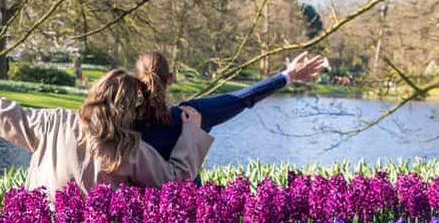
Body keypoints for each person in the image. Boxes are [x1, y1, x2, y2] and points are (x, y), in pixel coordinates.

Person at [0, 47, 213, 200]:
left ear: (95, 92)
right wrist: (191, 132)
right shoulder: (129, 147)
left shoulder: (53, 122)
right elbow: (173, 180)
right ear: (130, 108)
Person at [134, 51, 326, 160]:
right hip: (187, 211)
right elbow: (242, 98)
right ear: (171, 78)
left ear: (137, 82)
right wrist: (287, 76)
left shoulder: (123, 121)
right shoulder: (191, 115)